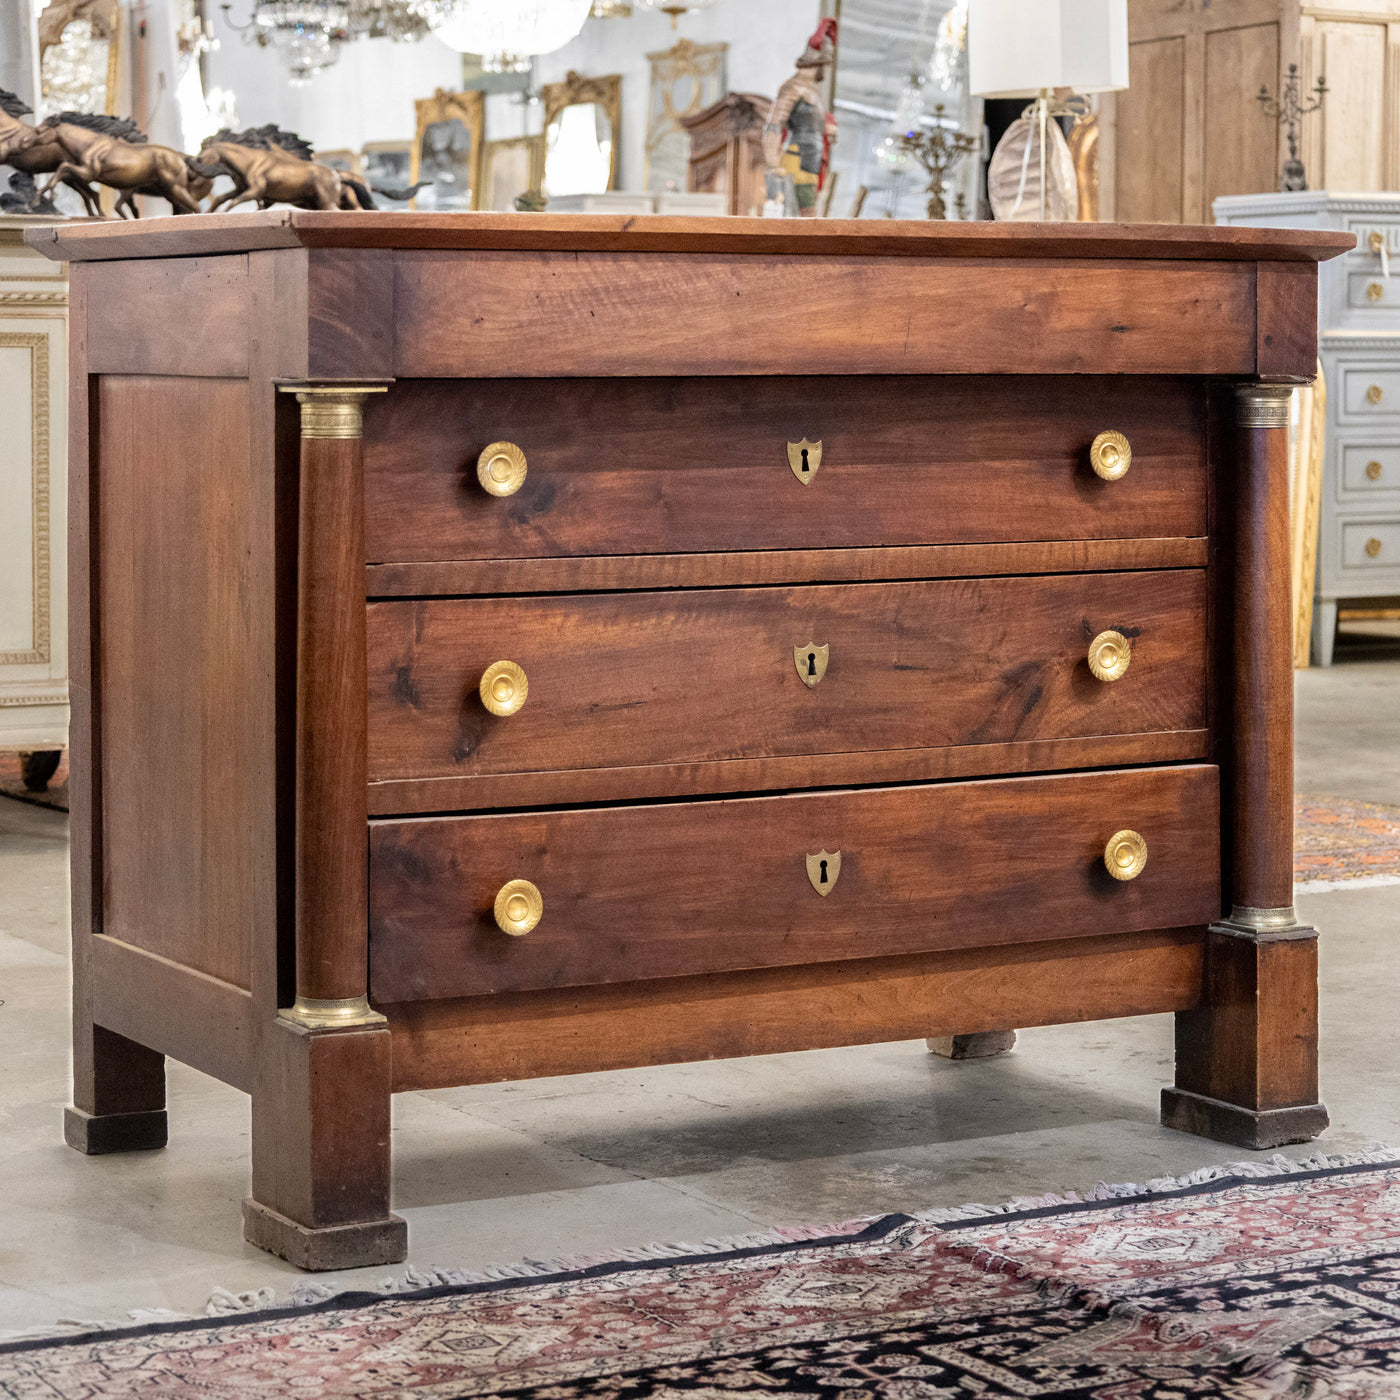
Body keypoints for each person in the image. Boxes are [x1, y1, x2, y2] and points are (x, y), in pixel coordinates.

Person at [762, 18, 838, 217]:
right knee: (797, 218)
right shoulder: (793, 88)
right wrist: (772, 162)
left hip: (810, 162)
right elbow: (774, 124)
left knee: (807, 218)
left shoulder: (813, 90)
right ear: (818, 62)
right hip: (796, 162)